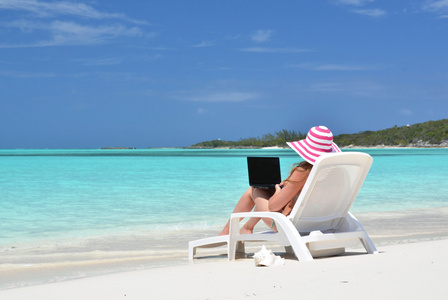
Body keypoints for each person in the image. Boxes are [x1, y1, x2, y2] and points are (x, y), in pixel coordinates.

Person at [219, 126, 341, 235]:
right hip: (321, 224)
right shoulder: (337, 173)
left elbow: (273, 207)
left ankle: (227, 231)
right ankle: (247, 227)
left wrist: (278, 191)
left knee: (254, 189)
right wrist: (289, 188)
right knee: (265, 192)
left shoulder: (303, 172)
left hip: (287, 226)